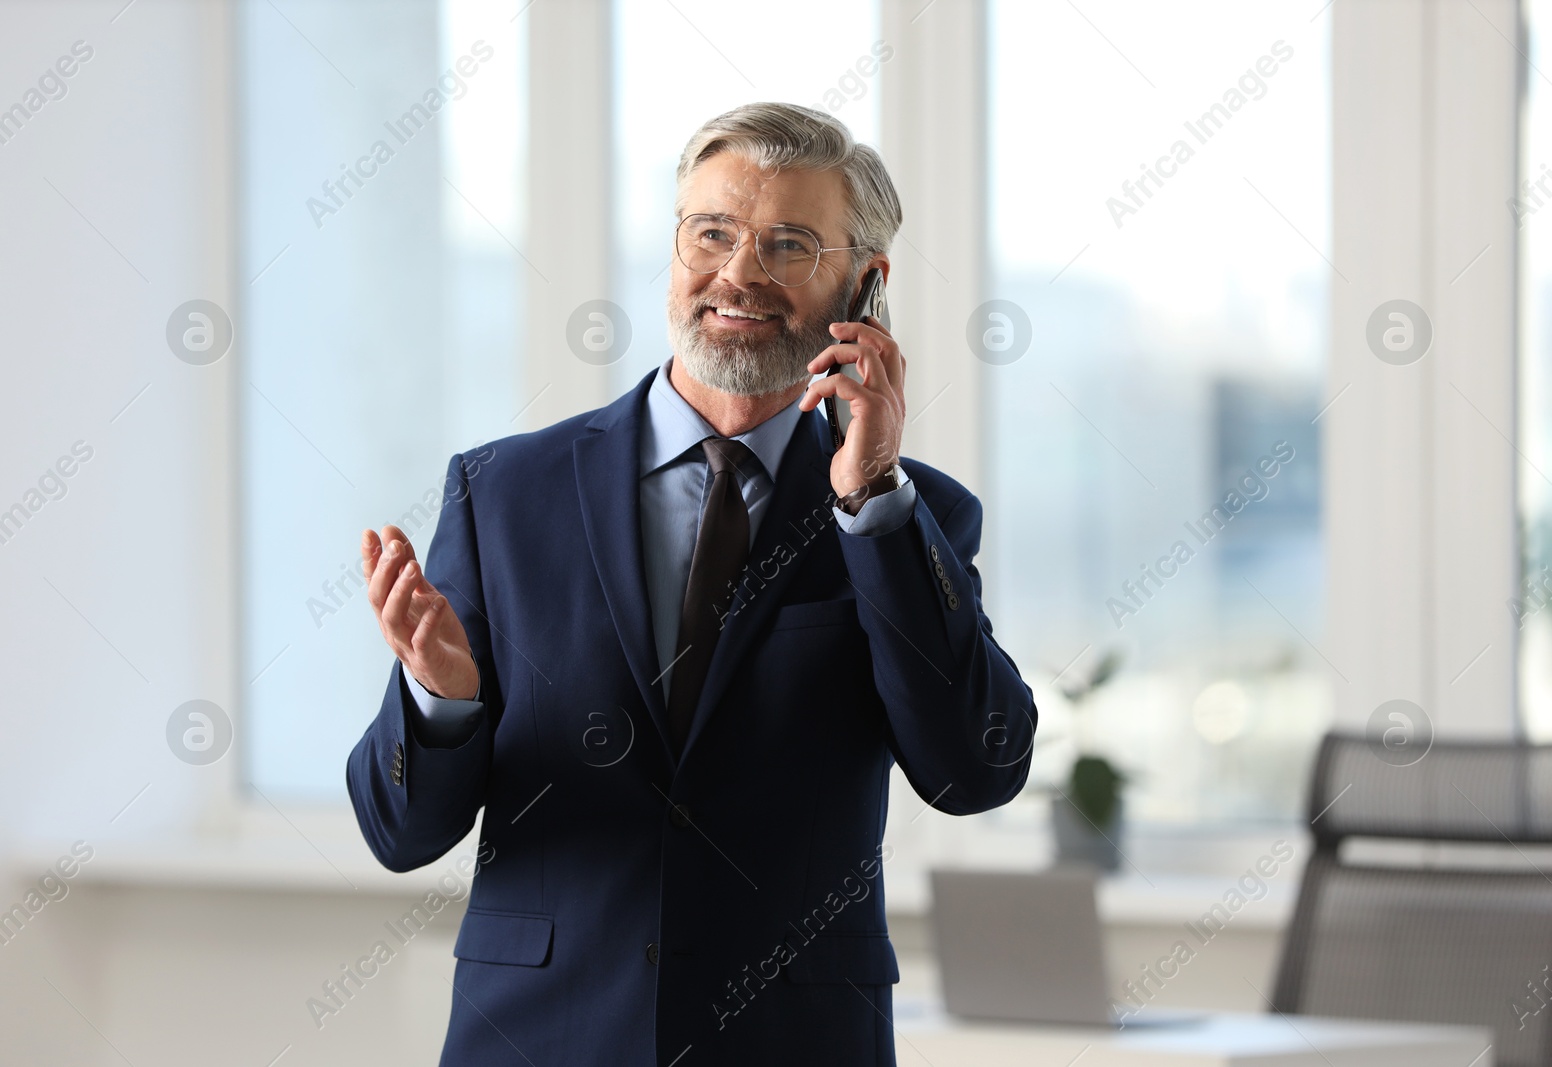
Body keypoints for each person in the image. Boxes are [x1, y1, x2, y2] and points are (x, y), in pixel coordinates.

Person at [347, 101, 1036, 1067]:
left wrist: (873, 500)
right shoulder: (505, 492)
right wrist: (442, 701)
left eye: (788, 243)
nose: (739, 272)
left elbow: (976, 769)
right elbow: (400, 831)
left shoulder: (910, 517)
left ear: (865, 285)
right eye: (711, 232)